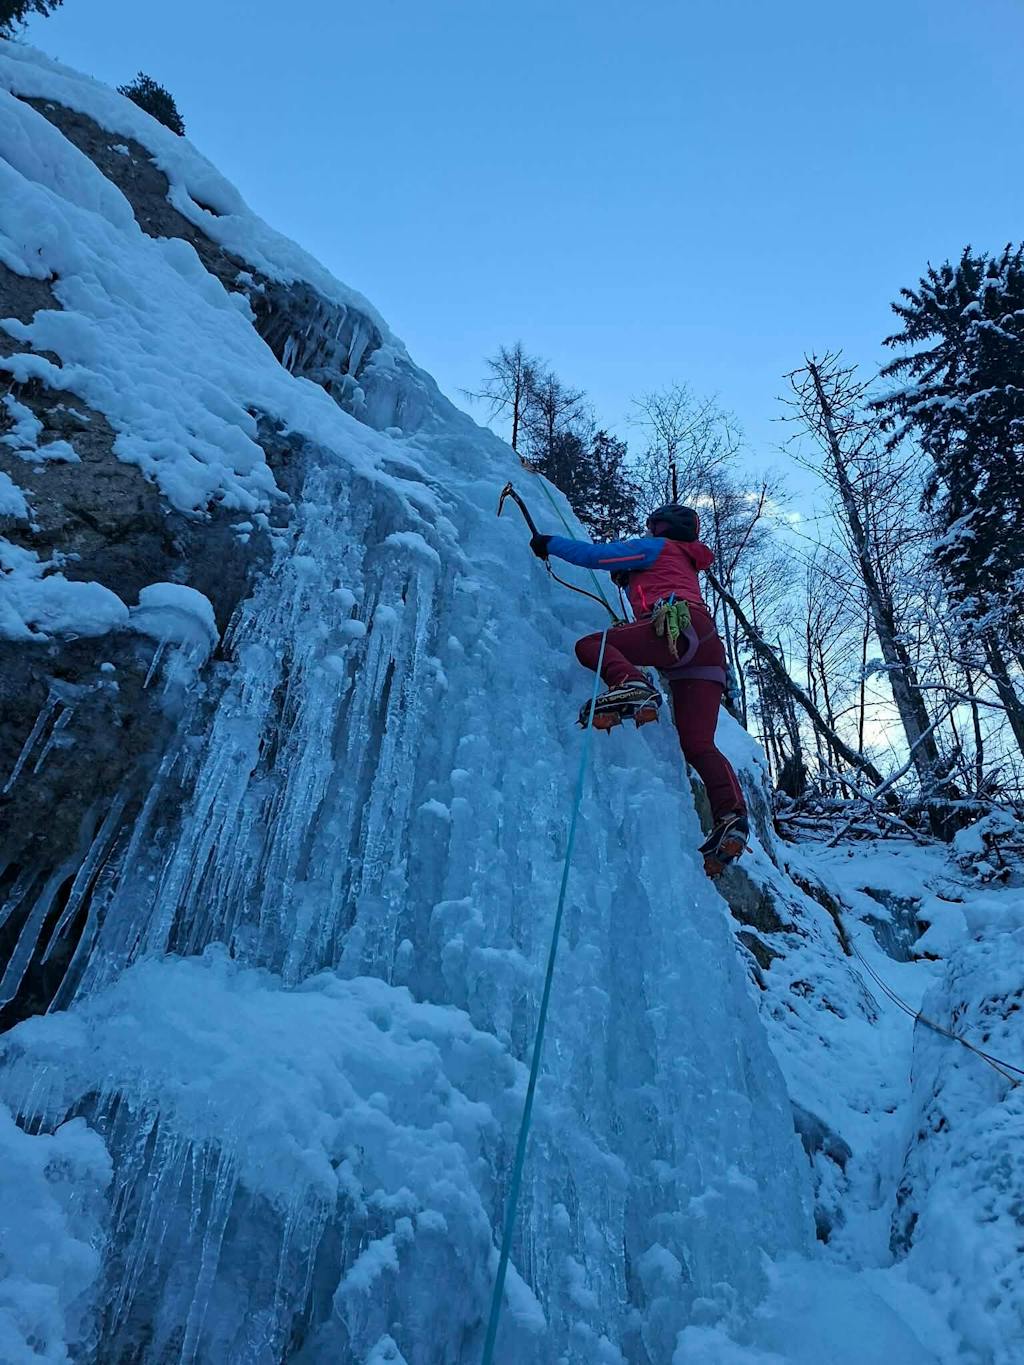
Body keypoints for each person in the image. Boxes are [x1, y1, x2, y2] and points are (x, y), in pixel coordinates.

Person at [530, 504, 748, 874]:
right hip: (707, 649)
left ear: (660, 527)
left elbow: (593, 556)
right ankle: (732, 817)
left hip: (676, 628)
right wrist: (631, 579)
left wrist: (549, 543)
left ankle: (631, 684)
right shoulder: (688, 561)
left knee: (591, 646)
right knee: (698, 744)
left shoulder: (658, 548)